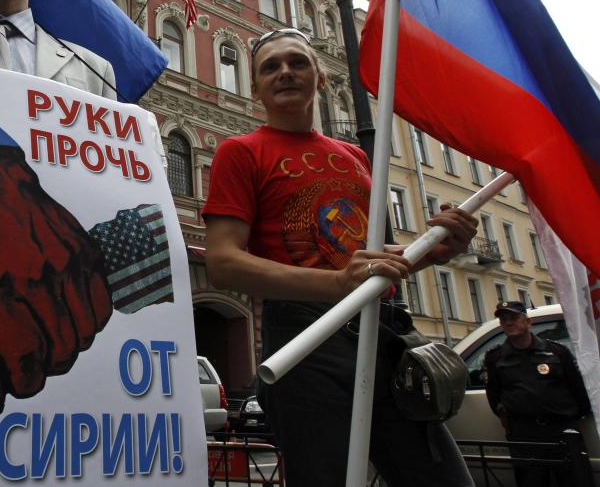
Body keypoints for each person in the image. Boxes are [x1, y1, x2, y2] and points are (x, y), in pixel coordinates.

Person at [202, 28, 479, 487]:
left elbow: (365, 261)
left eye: (297, 62)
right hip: (306, 337)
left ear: (321, 78)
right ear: (254, 87)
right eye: (270, 67)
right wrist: (336, 285)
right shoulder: (241, 152)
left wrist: (434, 252)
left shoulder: (355, 156)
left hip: (385, 333)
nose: (285, 72)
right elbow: (224, 262)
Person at [483, 300, 592, 486]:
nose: (509, 322)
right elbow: (494, 396)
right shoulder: (495, 358)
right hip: (525, 436)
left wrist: (572, 418)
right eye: (504, 319)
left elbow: (578, 389)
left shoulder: (557, 352)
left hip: (562, 432)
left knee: (575, 481)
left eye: (514, 317)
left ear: (528, 322)